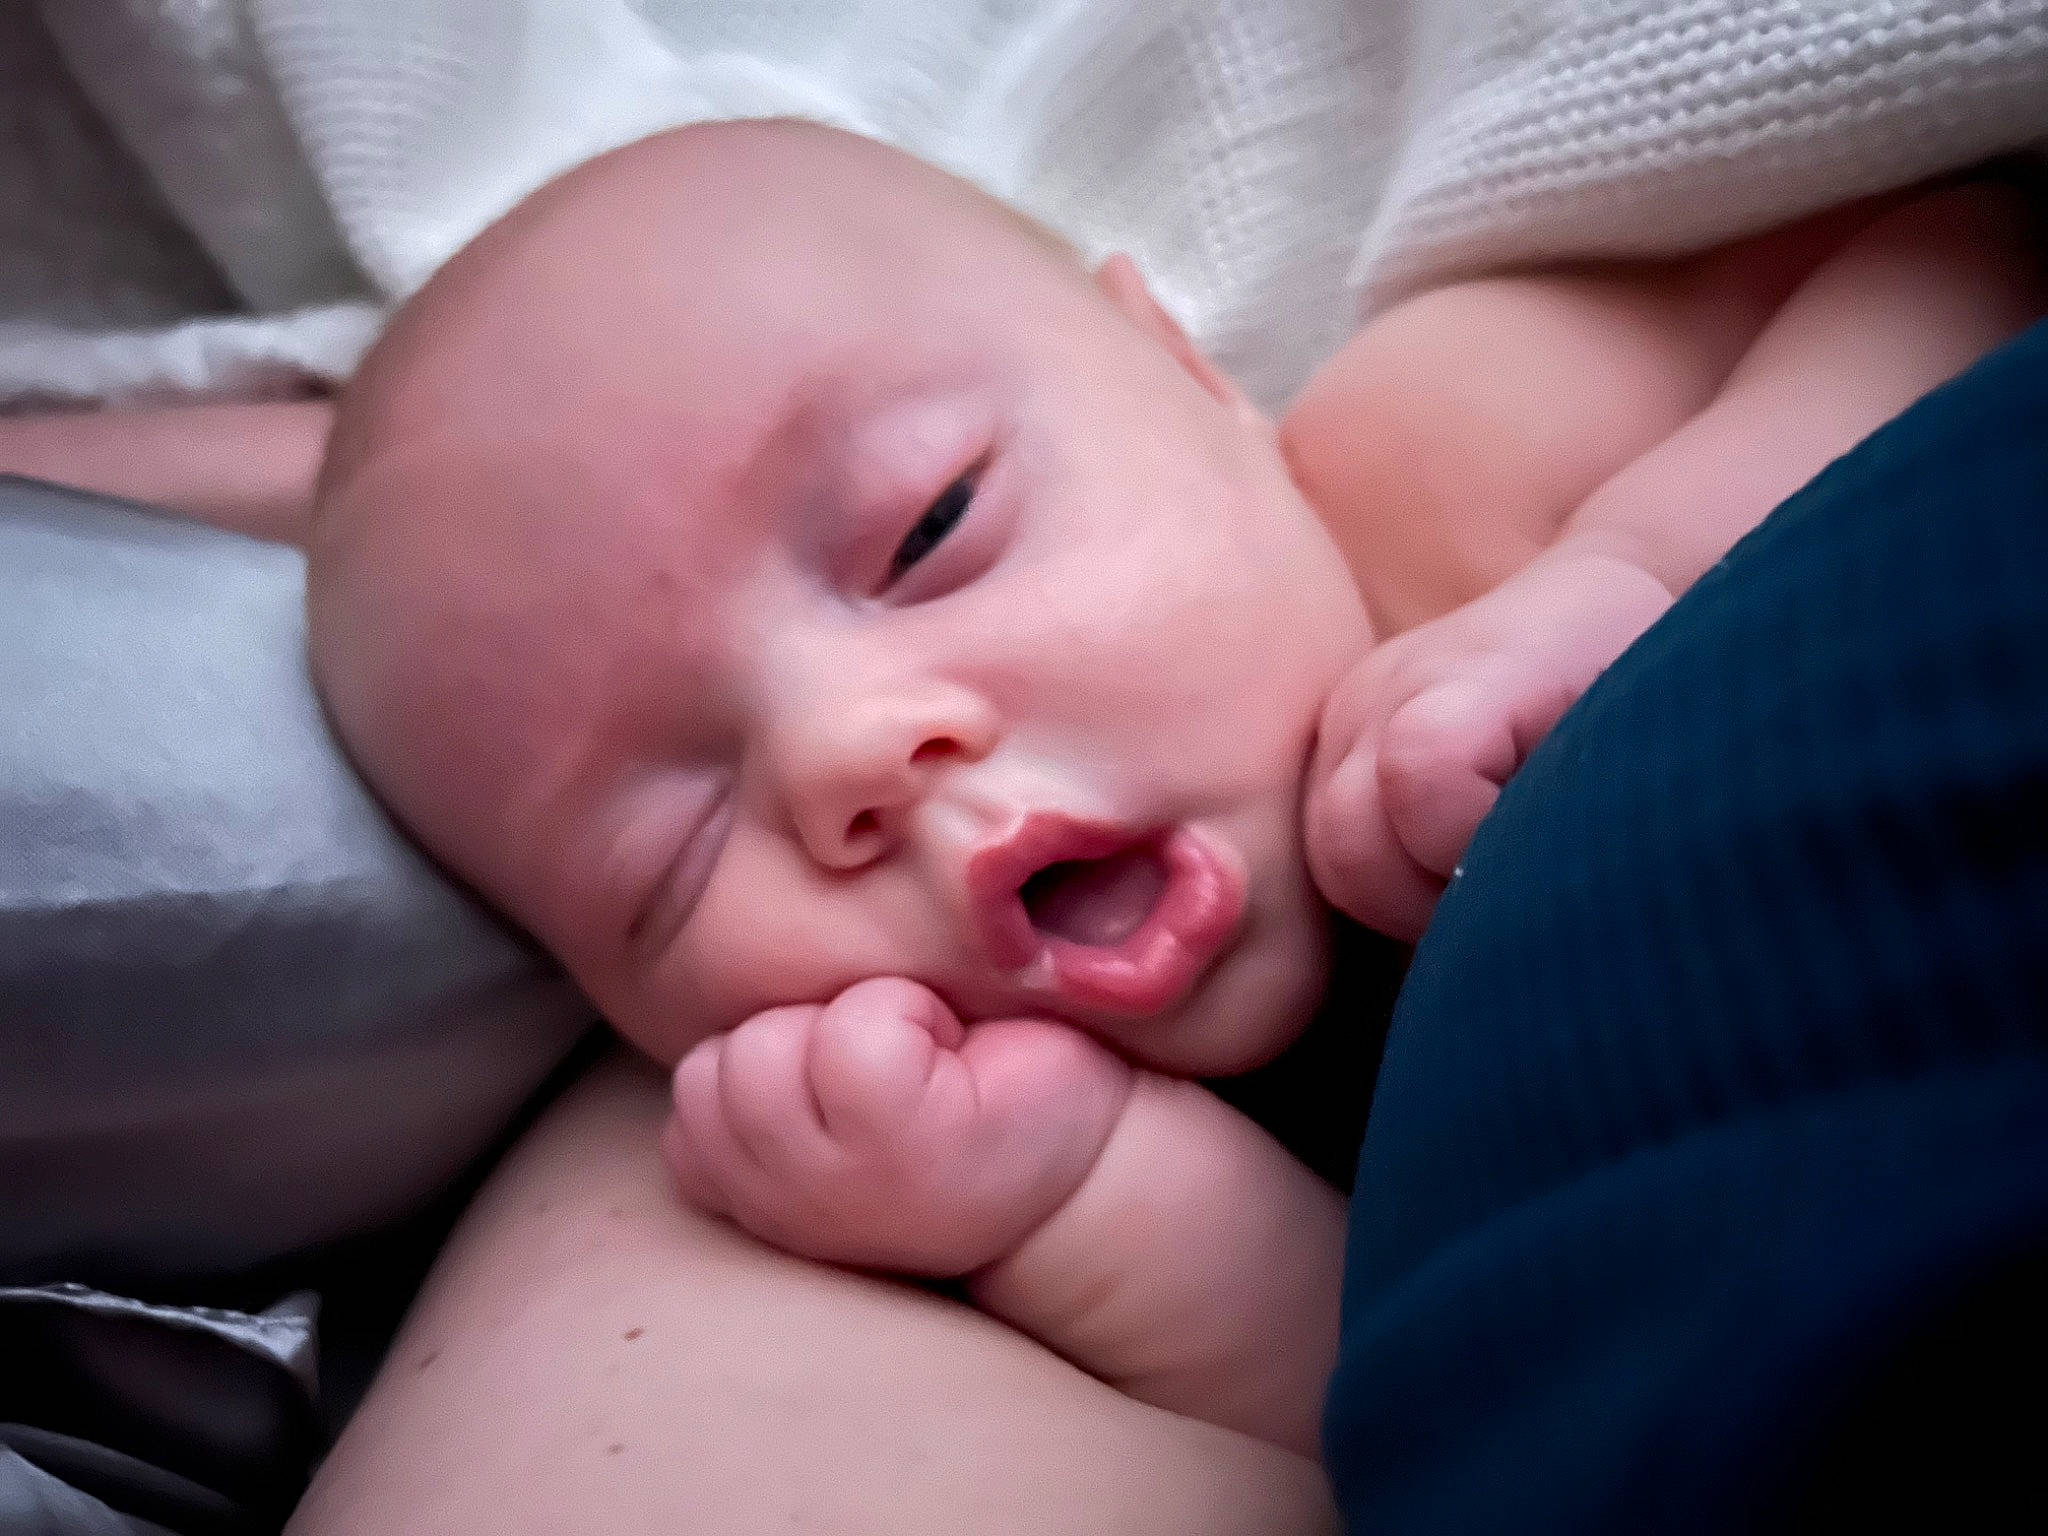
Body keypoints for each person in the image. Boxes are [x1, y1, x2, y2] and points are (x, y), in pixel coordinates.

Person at [283, 109, 2044, 1514]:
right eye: (664, 865)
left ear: (1181, 371)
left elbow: (1961, 249)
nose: (845, 757)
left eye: (927, 530)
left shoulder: (1421, 464)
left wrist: (1636, 564)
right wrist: (1080, 1197)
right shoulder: (946, 1172)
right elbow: (1390, 1407)